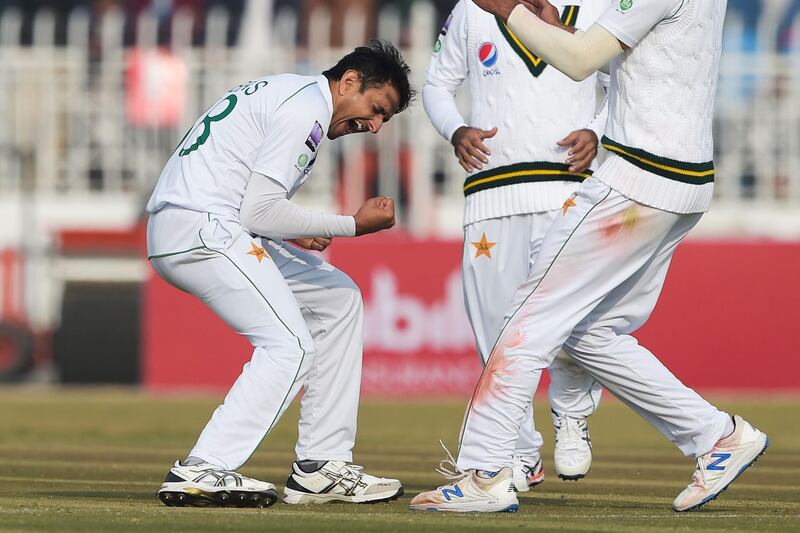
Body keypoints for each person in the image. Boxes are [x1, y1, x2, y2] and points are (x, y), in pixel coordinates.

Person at [411, 0, 768, 513]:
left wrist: (509, 11)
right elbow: (651, 57)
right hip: (686, 179)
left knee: (525, 318)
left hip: (636, 178)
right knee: (589, 333)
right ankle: (718, 436)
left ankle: (485, 473)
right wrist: (557, 30)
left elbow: (579, 62)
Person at [146, 40, 414, 508]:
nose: (373, 127)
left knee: (338, 297)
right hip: (201, 226)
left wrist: (294, 231)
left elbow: (255, 208)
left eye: (384, 120)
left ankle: (320, 466)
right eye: (376, 109)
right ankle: (203, 468)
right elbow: (262, 210)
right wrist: (351, 225)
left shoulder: (294, 95)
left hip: (203, 223)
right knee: (289, 346)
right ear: (348, 80)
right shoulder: (307, 108)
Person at [422, 0, 612, 489]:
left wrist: (600, 130)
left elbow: (624, 86)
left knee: (572, 320)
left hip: (568, 188)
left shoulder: (597, 5)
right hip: (490, 193)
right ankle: (520, 451)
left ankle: (571, 415)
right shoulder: (472, 8)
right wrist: (456, 129)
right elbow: (437, 86)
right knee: (494, 329)